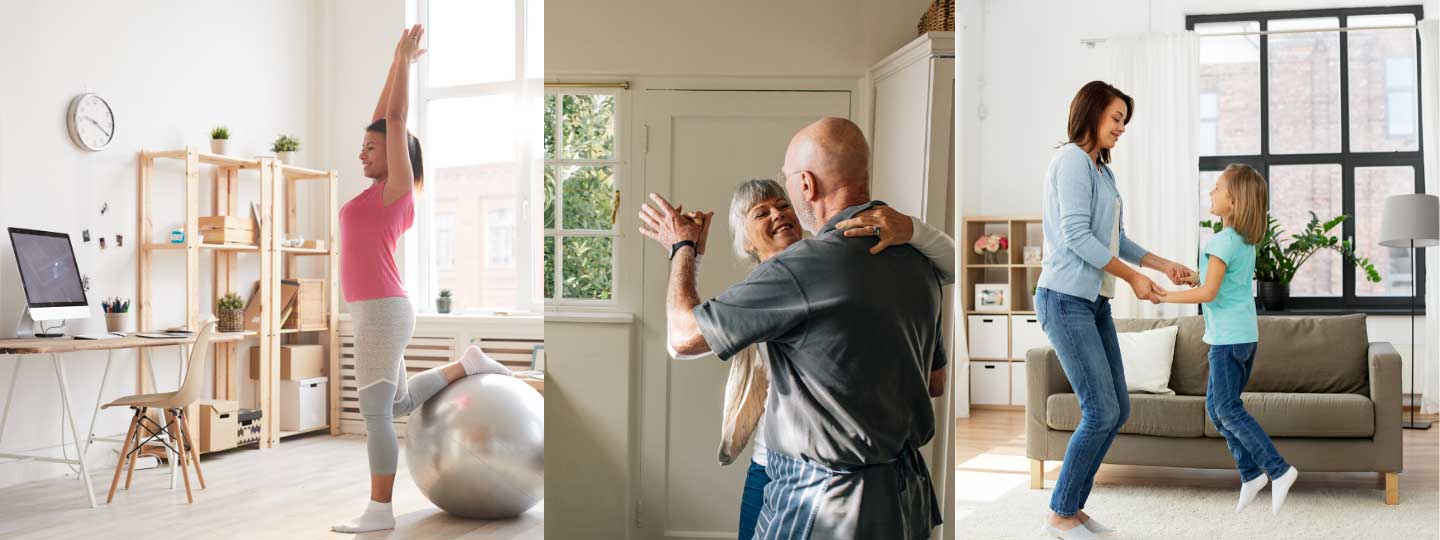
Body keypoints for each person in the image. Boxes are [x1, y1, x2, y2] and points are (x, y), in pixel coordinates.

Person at [640, 117, 948, 539]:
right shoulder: (919, 262)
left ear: (805, 185)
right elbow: (935, 381)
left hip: (827, 505)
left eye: (786, 188)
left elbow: (682, 338)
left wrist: (682, 248)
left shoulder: (802, 269)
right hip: (905, 501)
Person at [332, 24, 510, 534]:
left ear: (393, 157)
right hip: (378, 308)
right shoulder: (373, 196)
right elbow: (383, 117)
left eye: (370, 149)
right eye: (363, 147)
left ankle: (379, 512)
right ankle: (467, 365)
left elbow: (394, 118)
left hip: (382, 309)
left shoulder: (397, 193)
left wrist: (406, 65)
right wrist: (393, 61)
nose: (362, 154)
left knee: (373, 413)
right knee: (398, 402)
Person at [1035, 81, 1197, 540]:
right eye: (1116, 119)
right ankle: (1060, 516)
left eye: (1125, 121)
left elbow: (1115, 240)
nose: (1122, 128)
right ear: (1091, 113)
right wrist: (1132, 278)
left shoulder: (1102, 172)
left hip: (1093, 302)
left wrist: (1164, 265)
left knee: (1118, 408)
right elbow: (1076, 237)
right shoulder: (1070, 161)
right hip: (1064, 300)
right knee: (1100, 410)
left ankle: (1072, 509)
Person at [1160, 164, 1299, 514]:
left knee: (1226, 408)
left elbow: (1208, 294)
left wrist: (1163, 296)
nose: (1211, 192)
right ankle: (1250, 474)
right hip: (1242, 337)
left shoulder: (1222, 241)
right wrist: (1193, 276)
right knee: (1217, 408)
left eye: (1218, 188)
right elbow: (1219, 284)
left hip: (1227, 341)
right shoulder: (1241, 241)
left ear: (1234, 202)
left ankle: (1279, 470)